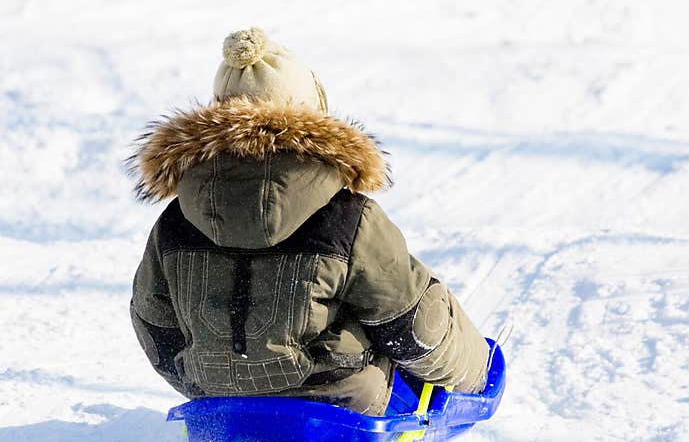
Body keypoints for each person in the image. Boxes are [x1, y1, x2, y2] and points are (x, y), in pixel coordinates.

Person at [128, 27, 488, 415]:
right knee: (398, 340)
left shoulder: (175, 220)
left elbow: (155, 325)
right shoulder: (349, 217)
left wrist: (211, 386)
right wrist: (477, 376)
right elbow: (413, 323)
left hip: (222, 408)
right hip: (339, 411)